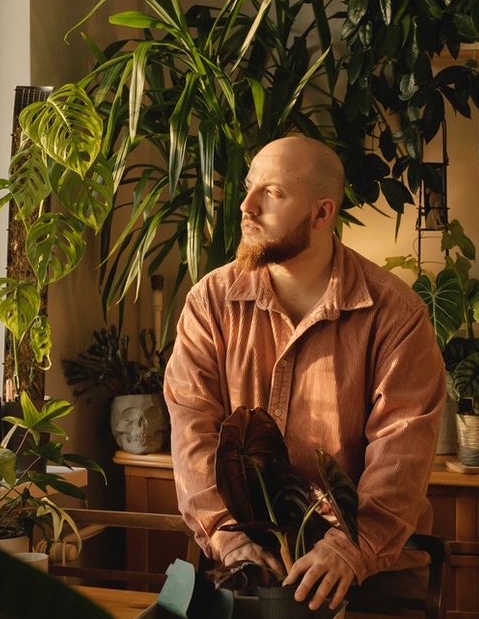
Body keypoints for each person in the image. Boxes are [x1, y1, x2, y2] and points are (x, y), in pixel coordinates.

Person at [163, 135, 446, 612]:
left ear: (322, 213)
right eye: (250, 187)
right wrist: (228, 538)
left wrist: (347, 549)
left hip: (369, 577)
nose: (246, 206)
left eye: (272, 193)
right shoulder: (209, 303)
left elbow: (403, 451)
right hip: (245, 570)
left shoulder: (396, 315)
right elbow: (192, 428)